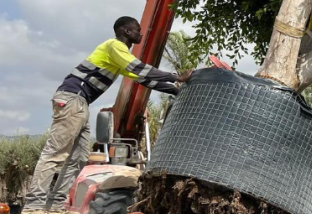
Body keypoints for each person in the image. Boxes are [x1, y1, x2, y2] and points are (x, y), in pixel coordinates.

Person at [23, 16, 193, 212]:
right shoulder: (114, 46)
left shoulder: (119, 56)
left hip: (80, 103)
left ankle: (54, 206)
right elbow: (137, 68)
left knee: (78, 158)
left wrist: (175, 90)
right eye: (137, 30)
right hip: (72, 98)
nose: (141, 33)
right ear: (126, 32)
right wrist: (175, 77)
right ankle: (33, 206)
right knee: (55, 154)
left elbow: (143, 78)